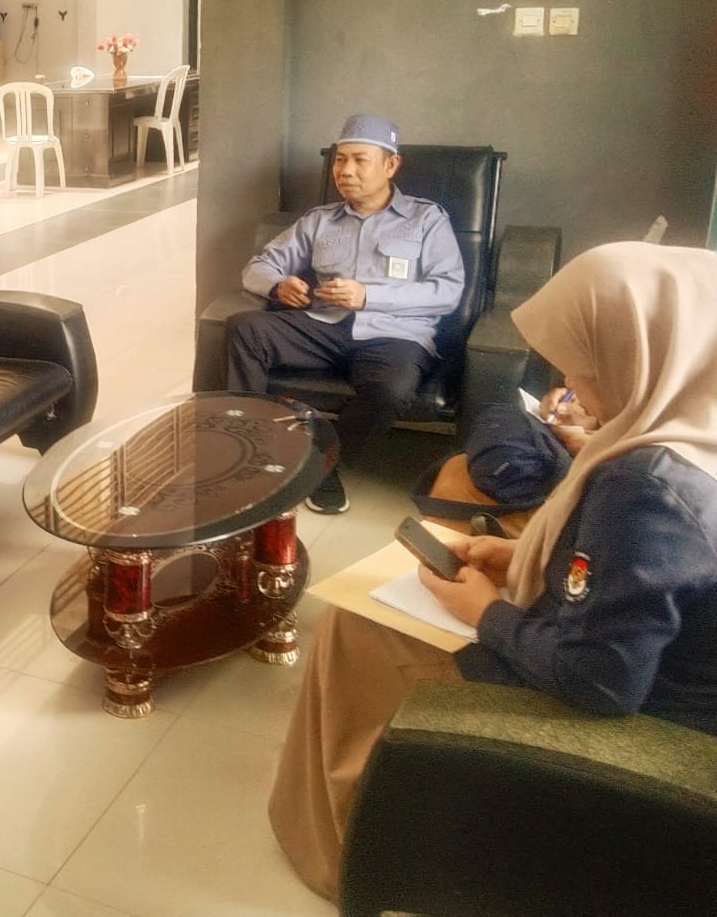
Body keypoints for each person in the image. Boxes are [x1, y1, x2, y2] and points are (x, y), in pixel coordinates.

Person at [267, 242, 717, 901]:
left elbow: (602, 681)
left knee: (354, 630)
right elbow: (649, 586)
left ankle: (355, 851)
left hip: (641, 730)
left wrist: (485, 612)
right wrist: (521, 556)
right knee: (362, 616)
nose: (571, 382)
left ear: (639, 354)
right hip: (653, 675)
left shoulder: (647, 486)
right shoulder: (692, 431)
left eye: (584, 361)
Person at [227, 114, 465, 514]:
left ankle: (322, 463)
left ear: (390, 165)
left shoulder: (426, 219)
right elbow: (258, 267)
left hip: (394, 334)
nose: (346, 171)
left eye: (359, 160)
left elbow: (448, 291)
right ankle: (251, 448)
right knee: (245, 329)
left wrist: (368, 295)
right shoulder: (319, 220)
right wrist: (278, 285)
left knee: (392, 389)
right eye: (340, 160)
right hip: (323, 327)